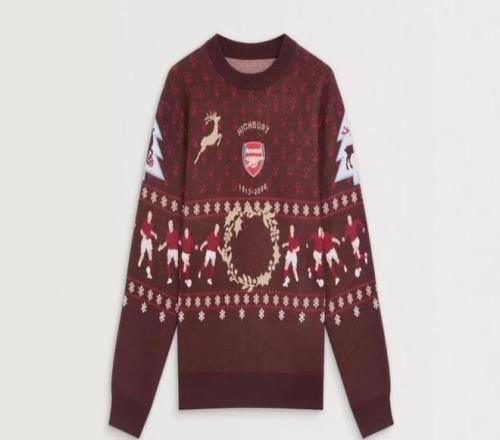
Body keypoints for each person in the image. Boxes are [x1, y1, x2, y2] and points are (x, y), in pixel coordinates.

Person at [157, 219, 179, 285]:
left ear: (172, 225)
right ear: (168, 225)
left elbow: (178, 241)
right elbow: (166, 243)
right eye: (169, 224)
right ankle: (169, 278)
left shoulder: (176, 232)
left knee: (176, 264)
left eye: (171, 224)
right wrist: (161, 248)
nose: (170, 225)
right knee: (168, 262)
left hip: (175, 250)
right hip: (169, 250)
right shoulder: (167, 233)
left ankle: (179, 276)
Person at [137, 210, 157, 279]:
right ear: (147, 215)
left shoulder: (151, 224)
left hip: (149, 241)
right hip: (144, 240)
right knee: (142, 255)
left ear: (151, 217)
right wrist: (143, 235)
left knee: (150, 255)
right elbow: (141, 231)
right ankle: (140, 261)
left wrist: (154, 234)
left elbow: (150, 231)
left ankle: (148, 269)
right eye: (149, 215)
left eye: (151, 215)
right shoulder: (144, 222)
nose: (150, 216)